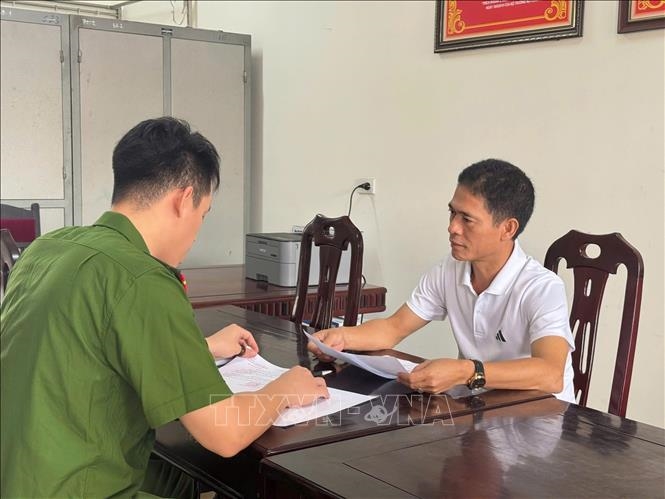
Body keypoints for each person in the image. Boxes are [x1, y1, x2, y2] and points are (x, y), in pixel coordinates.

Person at [0, 117, 329, 498]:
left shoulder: (48, 248)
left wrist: (201, 348)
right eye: (203, 214)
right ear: (184, 199)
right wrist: (283, 389)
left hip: (19, 476)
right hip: (76, 488)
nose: (196, 232)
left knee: (179, 473)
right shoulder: (142, 277)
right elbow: (225, 434)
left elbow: (83, 346)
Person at [309, 158, 575, 402]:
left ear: (508, 228)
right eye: (452, 213)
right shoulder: (450, 269)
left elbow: (550, 374)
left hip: (541, 418)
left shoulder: (541, 287)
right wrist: (340, 337)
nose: (452, 227)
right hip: (478, 408)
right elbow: (393, 328)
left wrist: (465, 371)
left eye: (467, 219)